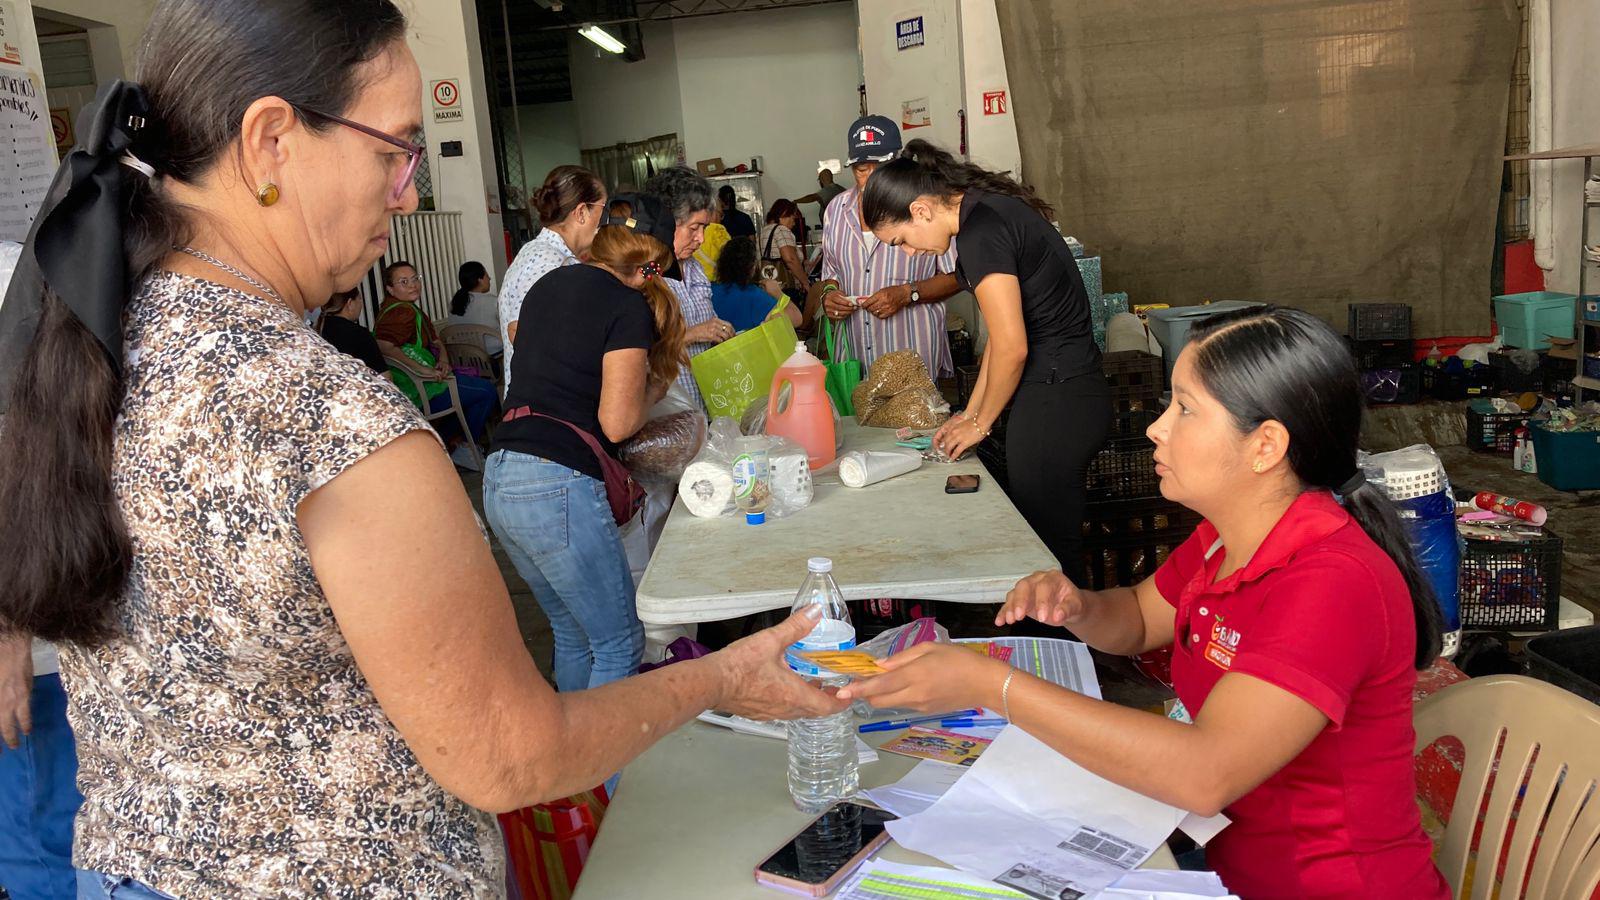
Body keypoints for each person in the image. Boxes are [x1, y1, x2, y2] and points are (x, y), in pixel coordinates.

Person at [0, 3, 842, 896]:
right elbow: (508, 757)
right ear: (272, 140)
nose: (407, 191)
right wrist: (720, 680)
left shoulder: (89, 349)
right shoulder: (327, 416)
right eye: (393, 150)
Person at [839, 307, 1450, 899]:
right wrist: (1076, 607)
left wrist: (991, 686)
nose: (1158, 427)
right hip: (1216, 863)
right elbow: (1135, 619)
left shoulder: (1331, 581)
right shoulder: (1227, 538)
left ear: (1265, 445)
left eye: (1185, 408)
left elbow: (1204, 773)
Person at [861, 139, 1110, 577]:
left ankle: (1062, 642)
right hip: (1068, 391)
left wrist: (981, 423)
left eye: (900, 240)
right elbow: (999, 336)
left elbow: (1013, 347)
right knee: (1049, 543)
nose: (909, 253)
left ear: (921, 210)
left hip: (1059, 395)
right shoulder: (987, 213)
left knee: (1049, 553)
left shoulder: (982, 233)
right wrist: (970, 412)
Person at [485, 197, 690, 693]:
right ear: (647, 271)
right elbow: (617, 424)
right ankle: (609, 773)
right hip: (556, 484)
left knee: (574, 637)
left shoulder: (546, 287)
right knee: (620, 643)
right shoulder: (624, 305)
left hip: (499, 475)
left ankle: (577, 771)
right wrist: (657, 388)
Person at [0, 241, 83, 900]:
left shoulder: (19, 276)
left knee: (45, 853)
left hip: (37, 650)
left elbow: (26, 455)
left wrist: (9, 631)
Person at [820, 116, 961, 380]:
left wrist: (907, 294)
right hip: (854, 354)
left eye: (881, 166)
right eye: (862, 169)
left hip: (911, 351)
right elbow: (831, 273)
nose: (871, 177)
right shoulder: (835, 212)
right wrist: (829, 296)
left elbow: (957, 276)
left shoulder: (926, 207)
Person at [375, 260, 498, 466]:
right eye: (404, 282)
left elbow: (436, 340)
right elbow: (384, 345)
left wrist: (442, 359)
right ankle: (462, 446)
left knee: (474, 390)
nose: (413, 285)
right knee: (486, 391)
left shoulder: (400, 308)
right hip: (422, 389)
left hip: (428, 383)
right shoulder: (401, 312)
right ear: (390, 288)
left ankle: (449, 444)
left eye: (415, 279)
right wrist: (422, 369)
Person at [498, 165, 606, 390]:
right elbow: (520, 333)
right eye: (602, 211)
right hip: (545, 403)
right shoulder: (547, 262)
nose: (604, 223)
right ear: (581, 212)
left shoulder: (553, 255)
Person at [641, 167, 734, 412]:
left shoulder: (695, 268)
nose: (701, 239)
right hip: (666, 416)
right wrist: (691, 334)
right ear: (665, 222)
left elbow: (706, 323)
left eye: (704, 228)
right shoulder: (645, 274)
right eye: (694, 229)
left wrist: (719, 333)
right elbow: (634, 350)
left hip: (704, 408)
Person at [712, 234, 803, 333]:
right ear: (752, 266)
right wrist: (778, 293)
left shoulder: (709, 291)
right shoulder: (754, 295)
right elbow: (797, 319)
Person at [317, 287, 387, 373]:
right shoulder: (359, 334)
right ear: (350, 303)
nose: (361, 303)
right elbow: (385, 377)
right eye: (359, 299)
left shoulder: (318, 328)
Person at [447, 260, 502, 355]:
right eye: (486, 275)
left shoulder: (454, 302)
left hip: (463, 355)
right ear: (480, 280)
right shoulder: (493, 301)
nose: (489, 278)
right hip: (492, 354)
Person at [759, 199, 812, 296]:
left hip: (769, 287)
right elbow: (790, 259)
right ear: (784, 214)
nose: (794, 223)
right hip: (785, 287)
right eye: (792, 218)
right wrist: (805, 283)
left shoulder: (765, 230)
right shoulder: (781, 230)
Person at [693, 199, 732, 282]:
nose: (721, 219)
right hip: (715, 282)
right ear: (712, 212)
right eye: (720, 214)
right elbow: (731, 258)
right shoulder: (718, 230)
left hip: (695, 280)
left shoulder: (694, 230)